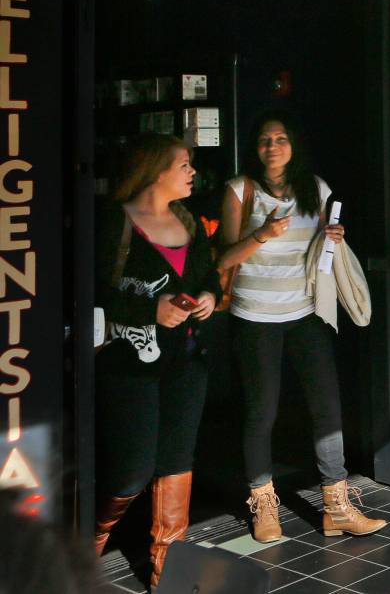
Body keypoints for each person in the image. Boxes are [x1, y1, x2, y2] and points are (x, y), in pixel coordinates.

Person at [218, 112, 385, 543]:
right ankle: (263, 505)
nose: (272, 147)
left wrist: (335, 237)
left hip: (306, 312)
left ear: (293, 145)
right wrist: (262, 235)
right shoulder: (240, 190)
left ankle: (337, 507)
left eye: (281, 139)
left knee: (327, 407)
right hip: (255, 316)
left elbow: (321, 247)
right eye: (264, 140)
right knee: (262, 411)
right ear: (254, 148)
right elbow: (223, 259)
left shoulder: (316, 188)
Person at [94, 135, 220, 587]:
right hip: (130, 363)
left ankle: (167, 568)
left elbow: (209, 277)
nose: (192, 172)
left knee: (177, 463)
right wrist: (151, 310)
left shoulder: (188, 219)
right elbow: (90, 292)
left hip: (187, 360)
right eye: (184, 164)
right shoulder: (115, 221)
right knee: (133, 469)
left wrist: (209, 296)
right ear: (155, 170)